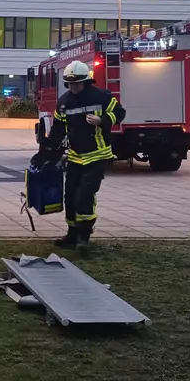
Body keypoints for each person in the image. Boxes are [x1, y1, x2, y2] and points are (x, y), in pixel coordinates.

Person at [37, 60, 126, 251]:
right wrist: (46, 150)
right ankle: (71, 235)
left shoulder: (102, 97)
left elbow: (119, 112)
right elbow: (58, 131)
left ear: (86, 81)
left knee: (85, 195)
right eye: (70, 84)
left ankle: (83, 237)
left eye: (77, 84)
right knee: (70, 196)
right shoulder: (63, 102)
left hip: (98, 155)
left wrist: (102, 120)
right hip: (76, 157)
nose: (73, 88)